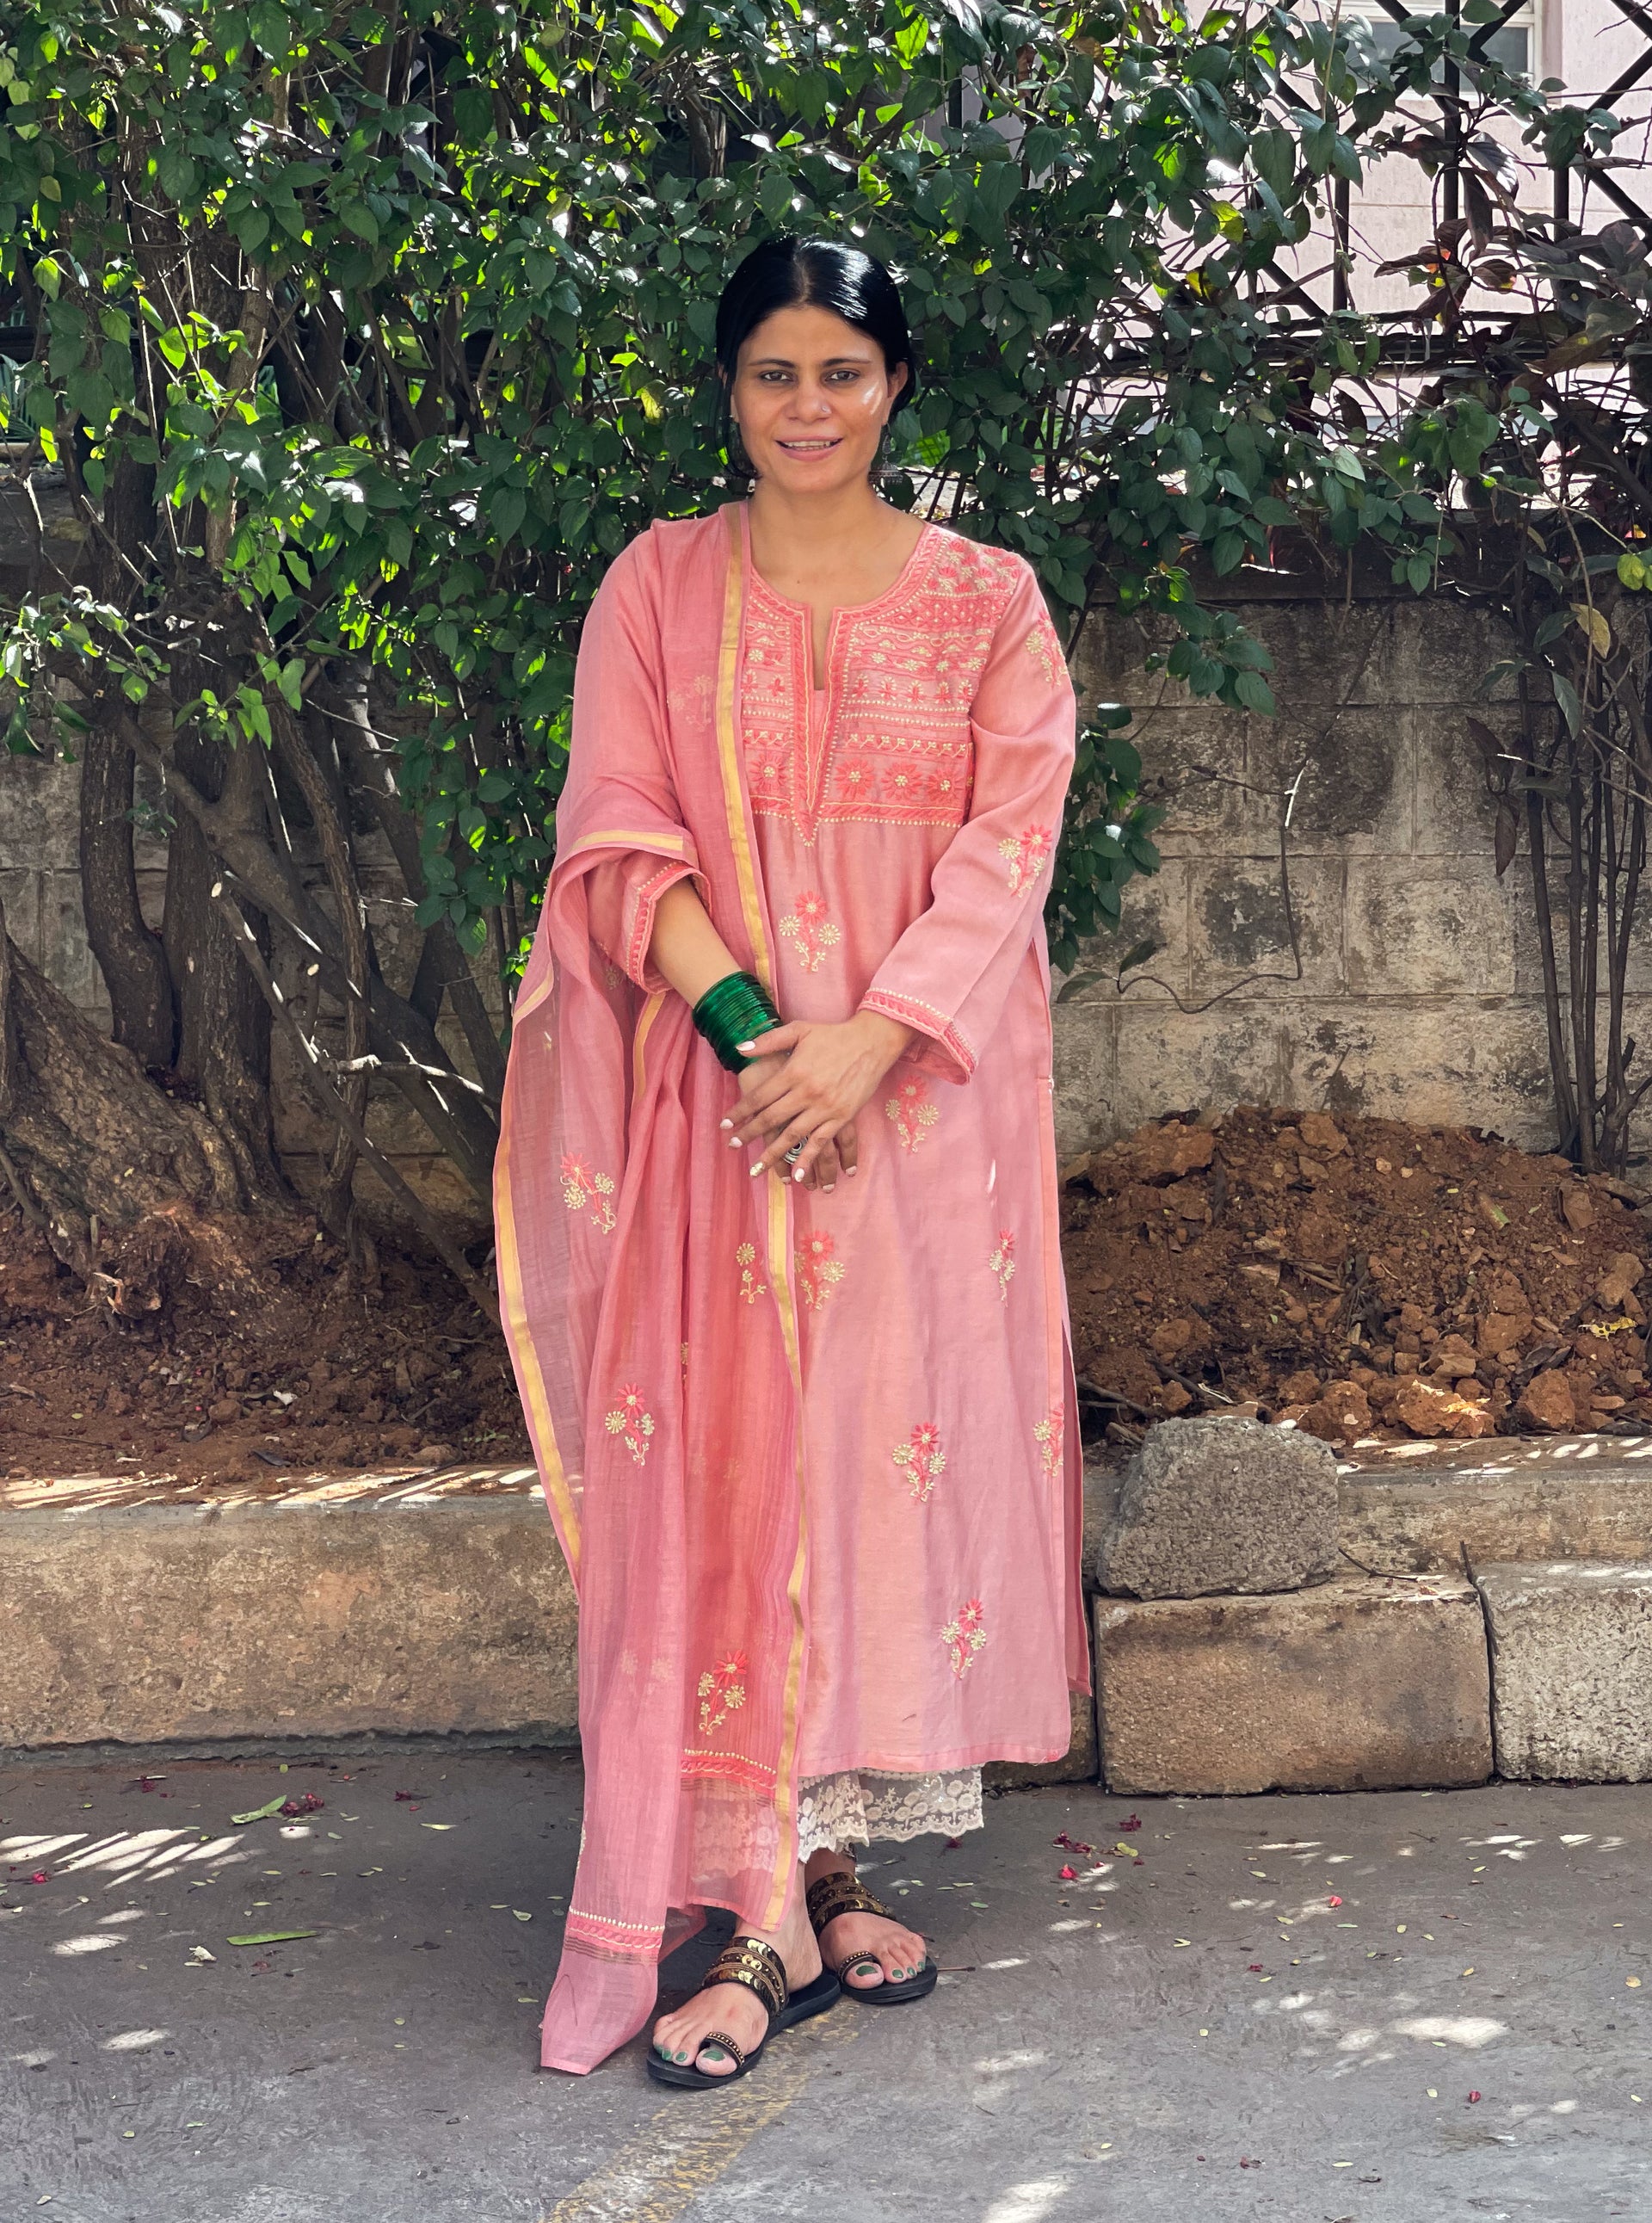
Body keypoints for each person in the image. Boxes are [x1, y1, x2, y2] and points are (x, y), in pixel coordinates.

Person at [495, 233, 1086, 2086]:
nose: (809, 405)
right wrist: (763, 1036)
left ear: (894, 386)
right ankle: (755, 1906)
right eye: (775, 371)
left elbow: (1007, 852)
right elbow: (618, 834)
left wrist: (871, 1042)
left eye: (842, 369)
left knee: (860, 1479)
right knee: (738, 1473)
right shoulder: (660, 587)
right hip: (730, 1107)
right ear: (731, 390)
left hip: (916, 1121)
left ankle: (822, 1863)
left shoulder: (990, 602)